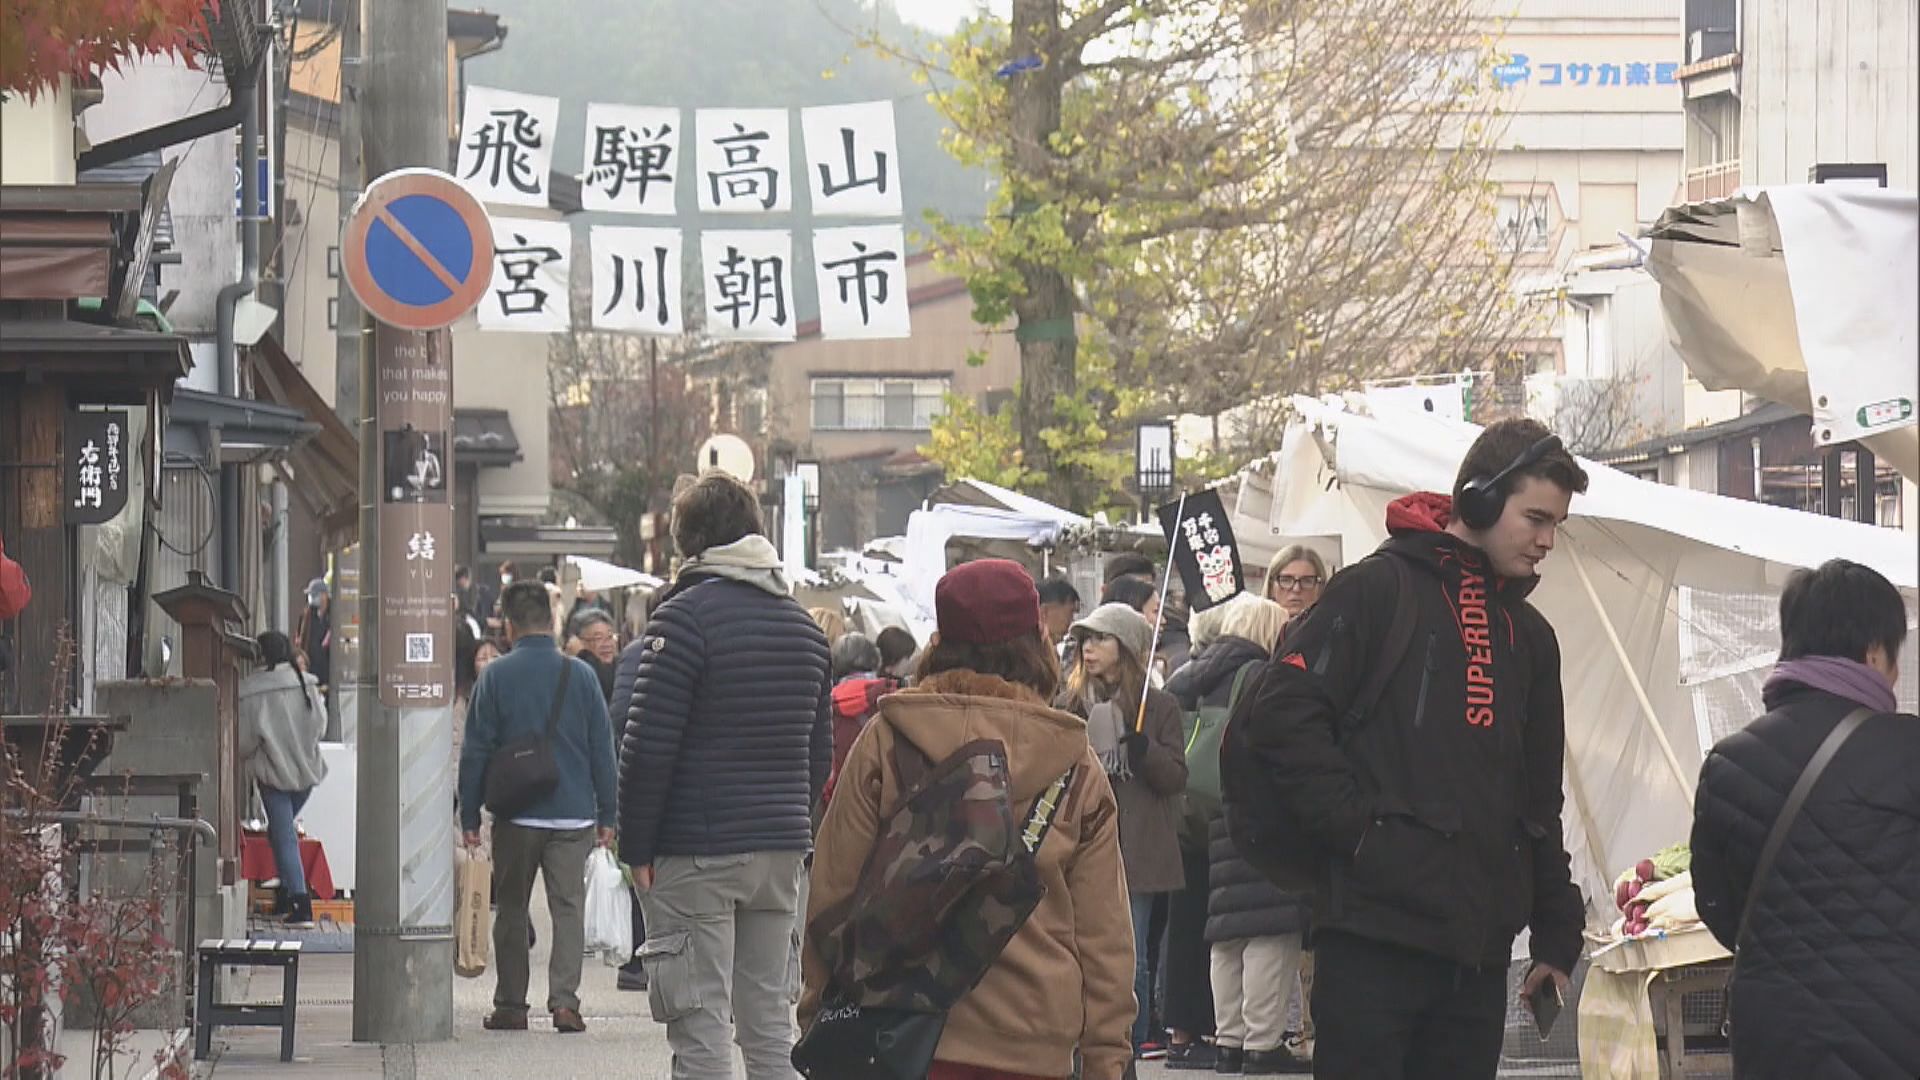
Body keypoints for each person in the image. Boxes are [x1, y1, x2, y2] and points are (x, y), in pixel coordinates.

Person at [1246, 418, 1589, 1079]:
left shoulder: (1531, 637)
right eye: (1536, 518)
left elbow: (1538, 796)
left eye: (1557, 525)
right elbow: (1281, 716)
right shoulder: (1376, 590)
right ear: (1482, 499)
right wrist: (1363, 838)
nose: (1547, 541)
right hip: (1373, 939)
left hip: (1478, 953)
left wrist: (1555, 929)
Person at [801, 558, 1137, 1080]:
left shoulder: (888, 741)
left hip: (900, 1038)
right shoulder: (1073, 762)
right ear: (1037, 639)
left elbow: (833, 892)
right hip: (1035, 1039)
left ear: (939, 640)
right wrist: (1107, 1057)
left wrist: (818, 1018)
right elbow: (1104, 935)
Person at [618, 472, 832, 1080]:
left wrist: (637, 845)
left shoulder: (681, 621)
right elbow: (817, 756)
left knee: (700, 1029)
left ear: (690, 542)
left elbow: (648, 749)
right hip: (781, 851)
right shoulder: (804, 630)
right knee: (768, 1030)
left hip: (698, 848)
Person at [1689, 559, 1918, 1080]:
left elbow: (1718, 905)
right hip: (1899, 1028)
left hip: (1776, 1032)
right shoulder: (1910, 751)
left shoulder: (1728, 762)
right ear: (1874, 651)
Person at [459, 580, 619, 1035]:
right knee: (569, 909)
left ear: (508, 626)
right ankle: (565, 1003)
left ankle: (512, 1003)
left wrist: (470, 817)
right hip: (573, 813)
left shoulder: (495, 677)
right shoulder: (582, 676)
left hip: (516, 815)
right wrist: (608, 814)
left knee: (511, 909)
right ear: (551, 622)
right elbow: (601, 750)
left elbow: (475, 751)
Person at [1184, 597, 1309, 1075]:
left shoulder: (1198, 673)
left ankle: (1229, 1041)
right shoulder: (1260, 673)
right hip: (1262, 811)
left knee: (1228, 931)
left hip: (1215, 812)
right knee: (1269, 928)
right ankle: (1261, 1042)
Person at [1060, 602, 1187, 1061]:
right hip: (1080, 844)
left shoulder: (1159, 707)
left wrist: (1144, 751)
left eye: (1101, 638)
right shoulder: (1070, 703)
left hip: (1138, 849)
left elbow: (1176, 776)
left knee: (1128, 954)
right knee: (1075, 951)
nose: (1089, 648)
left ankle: (1126, 1050)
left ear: (1128, 648)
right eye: (1084, 640)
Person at [239, 631, 330, 928]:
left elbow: (243, 740)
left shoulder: (253, 691)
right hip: (306, 773)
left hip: (273, 774)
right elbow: (320, 724)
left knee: (284, 836)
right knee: (281, 835)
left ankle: (301, 904)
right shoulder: (306, 682)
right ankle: (286, 896)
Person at [822, 632, 898, 811]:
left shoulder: (823, 704)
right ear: (874, 659)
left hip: (836, 806)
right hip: (882, 806)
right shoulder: (892, 699)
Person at [566, 607, 620, 704]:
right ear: (578, 643)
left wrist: (583, 654)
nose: (607, 644)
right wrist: (583, 655)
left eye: (610, 636)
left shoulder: (623, 668)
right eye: (598, 638)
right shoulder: (571, 674)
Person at [1264, 546, 1327, 618]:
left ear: (1320, 588)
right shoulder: (1254, 627)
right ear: (1271, 587)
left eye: (1306, 581)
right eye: (1286, 580)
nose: (1296, 589)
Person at [293, 577, 331, 695]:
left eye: (314, 595)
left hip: (327, 667)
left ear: (324, 595)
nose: (311, 598)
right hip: (311, 664)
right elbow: (299, 637)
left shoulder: (332, 615)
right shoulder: (307, 615)